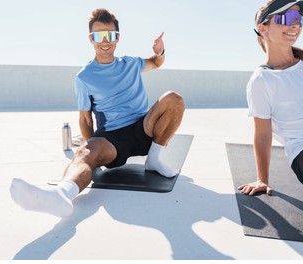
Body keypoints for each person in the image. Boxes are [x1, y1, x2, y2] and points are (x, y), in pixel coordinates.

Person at [10, 8, 185, 217]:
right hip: (113, 137)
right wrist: (91, 151)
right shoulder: (84, 77)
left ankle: (154, 159)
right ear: (91, 39)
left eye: (110, 35)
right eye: (99, 36)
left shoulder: (130, 63)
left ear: (117, 37)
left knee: (174, 98)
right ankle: (61, 196)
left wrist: (160, 52)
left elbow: (156, 63)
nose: (105, 41)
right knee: (85, 152)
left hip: (143, 127)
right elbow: (85, 119)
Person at [239, 0, 303, 196]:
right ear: (263, 29)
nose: (294, 24)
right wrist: (262, 179)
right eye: (285, 18)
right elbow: (262, 135)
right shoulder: (262, 80)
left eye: (298, 18)